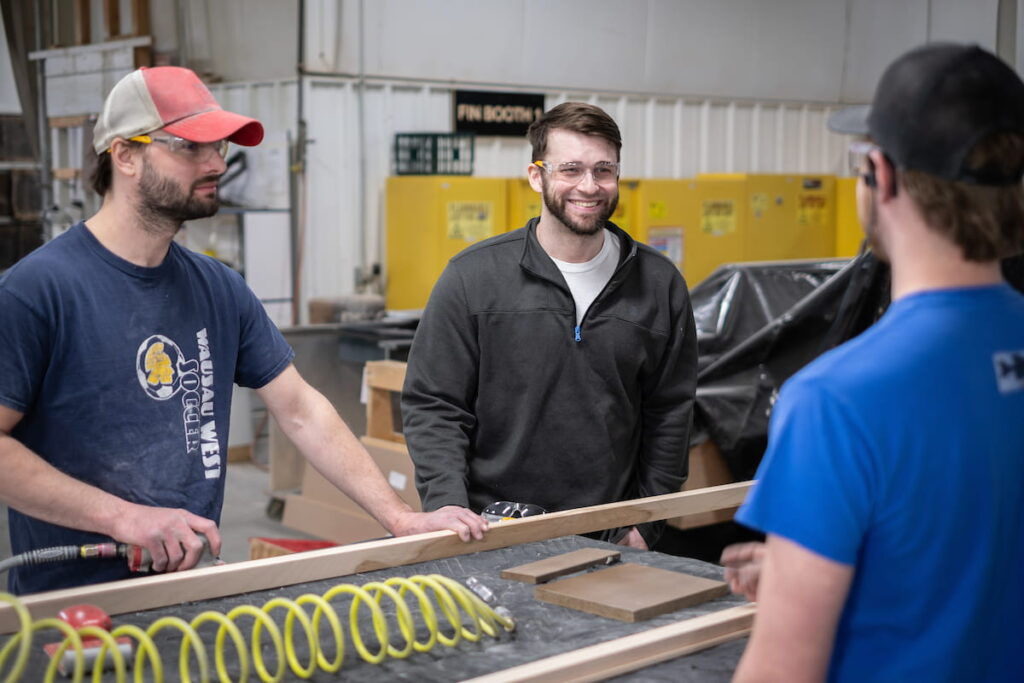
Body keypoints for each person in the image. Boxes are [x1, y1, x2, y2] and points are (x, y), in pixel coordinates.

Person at [0, 66, 487, 595]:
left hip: (191, 591)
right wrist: (124, 518)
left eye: (220, 146)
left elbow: (300, 410)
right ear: (125, 156)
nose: (215, 163)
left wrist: (399, 517)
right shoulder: (36, 291)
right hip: (72, 607)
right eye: (191, 146)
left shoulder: (218, 287)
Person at [725, 43, 1024, 682]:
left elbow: (781, 671)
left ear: (880, 175)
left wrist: (796, 590)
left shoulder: (838, 400)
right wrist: (814, 565)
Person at [401, 102, 697, 549]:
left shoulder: (659, 284)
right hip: (490, 531)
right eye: (571, 169)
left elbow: (671, 411)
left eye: (604, 170)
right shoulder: (472, 278)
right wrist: (447, 505)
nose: (589, 186)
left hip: (609, 536)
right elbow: (434, 404)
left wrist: (645, 522)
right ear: (537, 176)